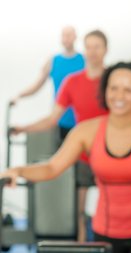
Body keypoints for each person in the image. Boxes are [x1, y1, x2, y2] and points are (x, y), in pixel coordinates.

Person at [1, 61, 131, 253]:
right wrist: (18, 171)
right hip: (104, 232)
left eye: (128, 90)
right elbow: (52, 167)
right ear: (105, 90)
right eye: (114, 88)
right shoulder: (86, 131)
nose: (119, 95)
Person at [11, 29, 109, 242]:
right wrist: (23, 127)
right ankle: (82, 244)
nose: (92, 52)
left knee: (110, 208)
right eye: (89, 46)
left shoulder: (113, 80)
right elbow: (51, 117)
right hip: (82, 151)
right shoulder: (71, 80)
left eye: (97, 47)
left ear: (105, 49)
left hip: (110, 153)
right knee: (80, 209)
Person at [11, 25, 85, 140]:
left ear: (75, 37)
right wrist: (19, 96)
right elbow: (37, 85)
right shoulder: (53, 61)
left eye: (69, 35)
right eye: (64, 36)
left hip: (82, 120)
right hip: (60, 120)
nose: (66, 39)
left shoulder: (85, 60)